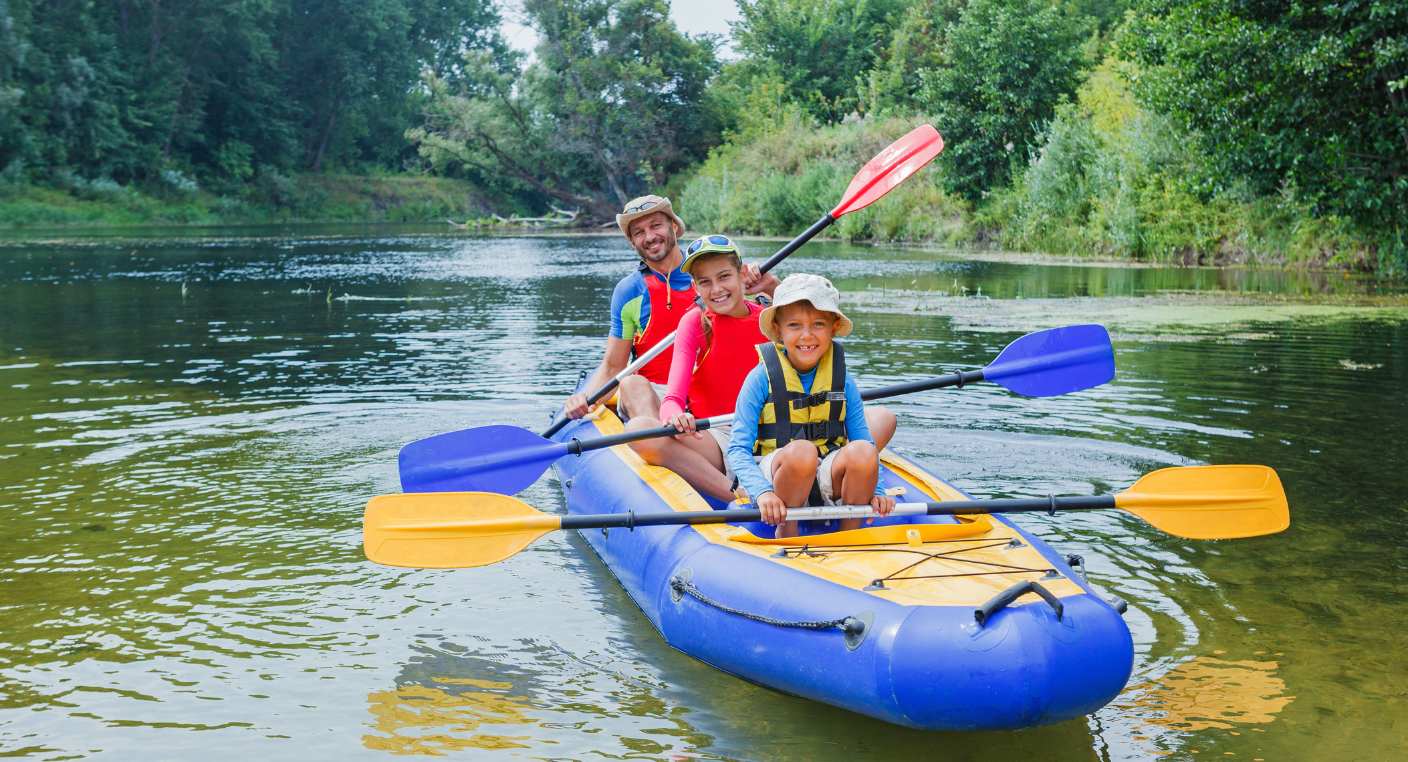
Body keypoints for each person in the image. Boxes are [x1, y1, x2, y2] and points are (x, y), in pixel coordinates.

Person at [627, 236, 897, 502]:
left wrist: (772, 284)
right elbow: (673, 398)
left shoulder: (772, 320)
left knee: (883, 418)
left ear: (742, 275)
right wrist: (675, 416)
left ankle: (834, 470)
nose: (717, 289)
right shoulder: (694, 323)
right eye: (705, 282)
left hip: (786, 428)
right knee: (639, 431)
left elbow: (809, 329)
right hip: (723, 435)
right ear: (695, 287)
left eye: (724, 276)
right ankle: (738, 493)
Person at [562, 196, 777, 423]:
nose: (650, 237)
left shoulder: (714, 273)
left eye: (656, 225)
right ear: (632, 242)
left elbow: (783, 321)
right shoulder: (629, 291)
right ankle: (658, 439)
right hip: (656, 391)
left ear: (673, 226)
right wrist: (586, 399)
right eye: (639, 232)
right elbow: (614, 366)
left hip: (713, 389)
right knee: (632, 383)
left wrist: (771, 286)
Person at [727, 274, 896, 538]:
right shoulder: (760, 378)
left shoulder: (843, 380)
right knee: (802, 451)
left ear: (833, 328)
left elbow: (865, 442)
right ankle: (787, 532)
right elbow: (738, 450)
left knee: (863, 451)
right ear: (778, 330)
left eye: (818, 324)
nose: (806, 335)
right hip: (777, 475)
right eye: (794, 325)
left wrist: (877, 491)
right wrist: (762, 491)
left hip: (825, 472)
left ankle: (848, 536)